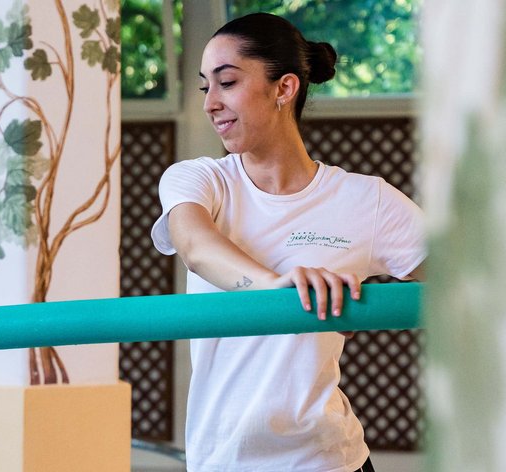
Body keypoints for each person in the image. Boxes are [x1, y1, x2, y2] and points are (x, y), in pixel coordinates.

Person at [150, 12, 426, 472]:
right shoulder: (198, 181)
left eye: (228, 82)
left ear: (284, 88)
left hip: (327, 460)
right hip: (222, 461)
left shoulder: (367, 201)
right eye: (205, 87)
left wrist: (372, 302)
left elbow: (471, 281)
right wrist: (278, 287)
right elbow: (196, 248)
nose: (210, 103)